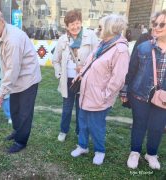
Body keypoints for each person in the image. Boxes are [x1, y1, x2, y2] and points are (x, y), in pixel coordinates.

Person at [70, 14, 130, 165]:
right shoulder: (101, 44)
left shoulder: (121, 50)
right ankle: (82, 146)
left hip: (100, 97)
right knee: (82, 122)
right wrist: (81, 73)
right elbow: (91, 62)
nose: (98, 29)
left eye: (101, 27)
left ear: (110, 28)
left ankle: (99, 151)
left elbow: (118, 79)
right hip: (86, 93)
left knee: (96, 126)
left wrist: (105, 96)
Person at [0, 9, 42, 153]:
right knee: (15, 110)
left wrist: (1, 93)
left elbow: (12, 70)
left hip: (28, 79)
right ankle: (17, 132)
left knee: (24, 113)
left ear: (2, 22)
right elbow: (6, 63)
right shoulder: (2, 33)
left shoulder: (12, 40)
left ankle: (21, 141)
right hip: (16, 79)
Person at [121, 10, 166, 170]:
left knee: (157, 127)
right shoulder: (143, 47)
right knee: (139, 124)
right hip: (140, 95)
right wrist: (125, 92)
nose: (157, 27)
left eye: (162, 24)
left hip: (163, 100)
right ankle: (135, 152)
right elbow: (130, 71)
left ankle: (151, 154)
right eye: (155, 24)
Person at [52, 10, 98, 142]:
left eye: (77, 23)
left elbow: (97, 57)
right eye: (72, 24)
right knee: (67, 108)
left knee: (81, 108)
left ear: (81, 22)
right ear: (67, 26)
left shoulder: (91, 36)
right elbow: (56, 60)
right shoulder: (62, 39)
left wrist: (85, 70)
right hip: (68, 80)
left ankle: (80, 131)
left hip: (84, 79)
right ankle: (63, 130)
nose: (75, 26)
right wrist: (60, 74)